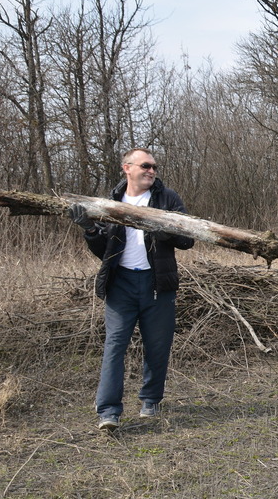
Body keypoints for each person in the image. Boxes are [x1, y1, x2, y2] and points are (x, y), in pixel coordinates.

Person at [68, 148, 194, 432]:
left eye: (154, 167)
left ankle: (151, 400)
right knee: (115, 346)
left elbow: (189, 240)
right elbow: (104, 251)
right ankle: (109, 412)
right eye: (146, 166)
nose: (152, 171)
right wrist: (89, 229)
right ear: (127, 168)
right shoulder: (110, 202)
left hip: (157, 284)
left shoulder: (167, 198)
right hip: (120, 284)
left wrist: (166, 232)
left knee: (157, 347)